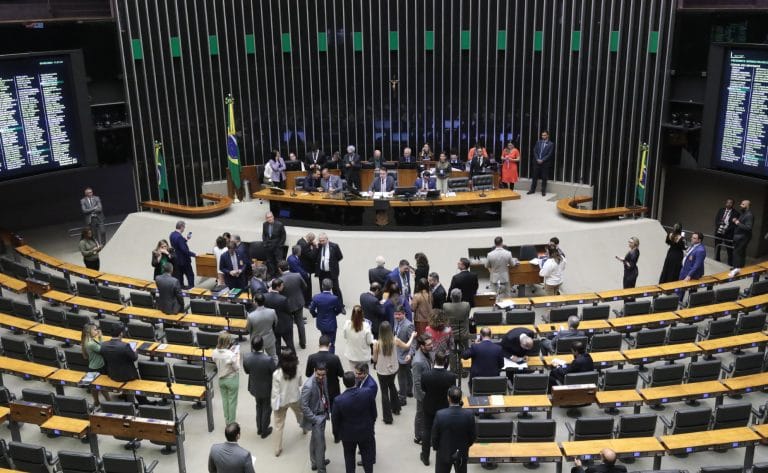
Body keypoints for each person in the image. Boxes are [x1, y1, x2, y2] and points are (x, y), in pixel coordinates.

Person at [332, 372, 377, 473]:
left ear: (344, 383)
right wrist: (371, 425)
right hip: (366, 431)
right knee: (367, 458)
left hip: (348, 436)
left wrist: (336, 435)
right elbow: (374, 412)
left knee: (349, 459)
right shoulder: (367, 392)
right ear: (355, 381)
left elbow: (335, 421)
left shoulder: (338, 400)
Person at [420, 350, 458, 467]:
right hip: (444, 407)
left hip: (429, 406)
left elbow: (424, 389)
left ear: (434, 360)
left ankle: (425, 457)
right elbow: (452, 391)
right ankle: (444, 455)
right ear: (446, 361)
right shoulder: (451, 376)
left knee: (427, 431)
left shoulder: (426, 375)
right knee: (445, 432)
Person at [373, 321, 415, 424]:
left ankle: (387, 418)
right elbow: (407, 346)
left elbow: (374, 359)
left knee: (384, 392)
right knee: (392, 386)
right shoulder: (395, 340)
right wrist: (412, 336)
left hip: (382, 370)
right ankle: (396, 408)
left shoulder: (376, 344)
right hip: (393, 369)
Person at [99, 324, 150, 404]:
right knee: (136, 377)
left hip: (113, 374)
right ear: (121, 334)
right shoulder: (125, 346)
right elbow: (134, 358)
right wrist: (134, 350)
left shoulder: (103, 345)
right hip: (128, 376)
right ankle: (143, 402)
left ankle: (126, 397)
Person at [431, 386, 476, 473]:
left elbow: (435, 436)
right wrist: (466, 446)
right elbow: (472, 436)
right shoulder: (469, 415)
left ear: (448, 398)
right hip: (461, 453)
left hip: (444, 453)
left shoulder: (440, 415)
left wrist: (437, 448)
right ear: (461, 398)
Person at [271, 350, 304, 457]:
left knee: (278, 425)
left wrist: (274, 405)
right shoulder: (297, 370)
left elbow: (275, 392)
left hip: (281, 402)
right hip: (295, 398)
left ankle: (277, 448)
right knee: (300, 415)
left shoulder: (277, 374)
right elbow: (300, 383)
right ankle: (305, 428)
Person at [242, 335, 275, 438]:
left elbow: (247, 371)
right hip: (267, 389)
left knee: (258, 406)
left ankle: (259, 428)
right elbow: (274, 372)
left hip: (254, 387)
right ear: (263, 345)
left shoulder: (247, 357)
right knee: (266, 408)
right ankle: (264, 430)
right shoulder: (268, 359)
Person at [301, 363, 331, 473]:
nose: (321, 377)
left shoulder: (324, 378)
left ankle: (315, 462)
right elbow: (303, 406)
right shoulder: (308, 386)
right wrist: (315, 419)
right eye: (318, 374)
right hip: (317, 417)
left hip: (323, 413)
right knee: (320, 445)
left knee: (315, 441)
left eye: (323, 375)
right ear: (314, 370)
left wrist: (327, 410)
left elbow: (325, 393)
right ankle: (321, 469)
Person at [306, 335, 345, 407]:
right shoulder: (335, 358)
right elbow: (341, 374)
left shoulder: (311, 357)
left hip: (317, 390)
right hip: (333, 390)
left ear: (319, 345)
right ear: (329, 345)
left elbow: (308, 374)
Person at [277, 260, 307, 349]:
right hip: (298, 302)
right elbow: (305, 286)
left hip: (287, 306)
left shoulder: (280, 280)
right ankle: (303, 343)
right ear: (288, 267)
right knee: (300, 323)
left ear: (279, 269)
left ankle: (290, 345)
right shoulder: (297, 275)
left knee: (289, 325)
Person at [212, 332, 240, 425]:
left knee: (225, 400)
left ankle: (226, 420)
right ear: (228, 342)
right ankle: (231, 423)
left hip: (221, 380)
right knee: (232, 401)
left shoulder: (214, 352)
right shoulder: (231, 355)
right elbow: (237, 368)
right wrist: (237, 356)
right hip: (231, 379)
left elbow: (215, 359)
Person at [309, 278, 343, 353]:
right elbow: (339, 309)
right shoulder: (334, 298)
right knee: (332, 343)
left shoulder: (316, 297)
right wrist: (335, 313)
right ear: (331, 287)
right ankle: (331, 357)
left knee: (324, 340)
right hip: (331, 324)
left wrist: (316, 315)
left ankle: (324, 354)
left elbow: (311, 309)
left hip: (321, 323)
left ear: (322, 286)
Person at [412, 333, 434, 446]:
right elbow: (417, 382)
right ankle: (418, 436)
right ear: (422, 346)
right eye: (429, 344)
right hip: (422, 393)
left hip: (428, 390)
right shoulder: (417, 361)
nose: (432, 345)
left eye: (431, 343)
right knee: (420, 414)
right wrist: (424, 396)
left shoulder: (428, 353)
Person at [81, 323, 109, 405]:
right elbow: (103, 349)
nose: (97, 331)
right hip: (98, 368)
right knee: (102, 386)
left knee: (95, 387)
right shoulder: (91, 343)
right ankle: (108, 401)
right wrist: (100, 337)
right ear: (89, 331)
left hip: (93, 367)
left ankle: (96, 401)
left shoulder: (89, 340)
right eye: (95, 329)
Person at [443, 289, 470, 373]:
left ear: (451, 297)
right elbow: (467, 315)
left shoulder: (445, 306)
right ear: (461, 296)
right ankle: (464, 370)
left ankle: (453, 370)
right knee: (465, 351)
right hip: (463, 333)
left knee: (452, 352)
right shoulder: (466, 305)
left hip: (451, 334)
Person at [394, 306, 416, 406]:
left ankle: (402, 398)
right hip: (397, 352)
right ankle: (409, 390)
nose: (397, 316)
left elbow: (413, 343)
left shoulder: (409, 325)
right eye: (396, 314)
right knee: (407, 372)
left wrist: (410, 354)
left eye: (399, 314)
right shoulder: (396, 321)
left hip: (404, 355)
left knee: (401, 377)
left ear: (404, 314)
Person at [246, 292, 278, 362]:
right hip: (269, 338)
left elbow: (248, 329)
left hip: (256, 341)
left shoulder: (251, 316)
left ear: (255, 302)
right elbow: (275, 323)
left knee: (256, 359)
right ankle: (273, 371)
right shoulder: (272, 311)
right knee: (273, 357)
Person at [265, 278, 294, 353]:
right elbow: (288, 311)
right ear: (277, 287)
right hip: (285, 324)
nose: (283, 286)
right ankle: (293, 358)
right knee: (289, 343)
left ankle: (278, 361)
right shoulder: (283, 299)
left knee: (277, 344)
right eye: (282, 285)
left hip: (273, 325)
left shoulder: (265, 297)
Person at [315, 232, 344, 307]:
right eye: (320, 240)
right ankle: (324, 304)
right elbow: (314, 256)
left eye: (323, 240)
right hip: (322, 272)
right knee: (323, 289)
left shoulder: (334, 246)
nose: (321, 242)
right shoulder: (319, 246)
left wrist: (331, 263)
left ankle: (340, 305)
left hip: (331, 272)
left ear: (327, 239)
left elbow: (340, 257)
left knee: (336, 289)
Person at [730, 199, 753, 277]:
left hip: (743, 237)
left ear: (747, 206)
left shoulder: (749, 215)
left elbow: (748, 228)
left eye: (743, 204)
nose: (740, 205)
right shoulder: (744, 213)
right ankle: (740, 269)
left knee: (737, 253)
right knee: (741, 253)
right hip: (740, 237)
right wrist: (737, 220)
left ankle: (736, 269)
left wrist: (737, 222)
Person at [169, 220, 196, 289]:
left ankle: (181, 287)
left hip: (177, 259)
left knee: (180, 275)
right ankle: (191, 288)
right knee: (190, 275)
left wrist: (186, 239)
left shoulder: (172, 234)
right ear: (181, 227)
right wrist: (194, 254)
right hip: (184, 260)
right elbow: (184, 250)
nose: (184, 229)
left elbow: (178, 244)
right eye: (184, 227)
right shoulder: (179, 237)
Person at [528, 130, 554, 196]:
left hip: (545, 163)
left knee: (544, 177)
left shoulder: (551, 144)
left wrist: (542, 160)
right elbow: (534, 151)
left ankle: (543, 191)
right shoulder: (538, 142)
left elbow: (549, 154)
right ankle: (532, 190)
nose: (543, 136)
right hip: (536, 162)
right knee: (534, 177)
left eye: (544, 135)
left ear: (547, 135)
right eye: (542, 135)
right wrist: (537, 159)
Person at [714, 198, 739, 265]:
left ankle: (730, 263)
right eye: (727, 202)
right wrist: (719, 225)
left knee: (729, 249)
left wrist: (726, 229)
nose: (728, 204)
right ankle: (717, 259)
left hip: (728, 233)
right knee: (717, 246)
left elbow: (734, 225)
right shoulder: (721, 210)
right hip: (719, 232)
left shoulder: (736, 213)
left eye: (730, 203)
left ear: (733, 204)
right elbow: (716, 219)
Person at [262, 211, 286, 279]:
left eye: (270, 217)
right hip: (268, 247)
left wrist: (280, 245)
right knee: (270, 261)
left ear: (273, 217)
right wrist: (264, 243)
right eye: (267, 218)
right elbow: (264, 234)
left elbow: (283, 236)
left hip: (277, 247)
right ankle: (272, 275)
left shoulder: (279, 224)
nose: (269, 219)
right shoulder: (265, 224)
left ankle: (279, 276)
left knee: (279, 262)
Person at [297, 232, 318, 303]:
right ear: (310, 240)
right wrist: (315, 247)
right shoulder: (305, 245)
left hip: (301, 266)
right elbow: (311, 256)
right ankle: (308, 301)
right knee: (308, 286)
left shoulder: (300, 241)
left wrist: (310, 243)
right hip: (305, 268)